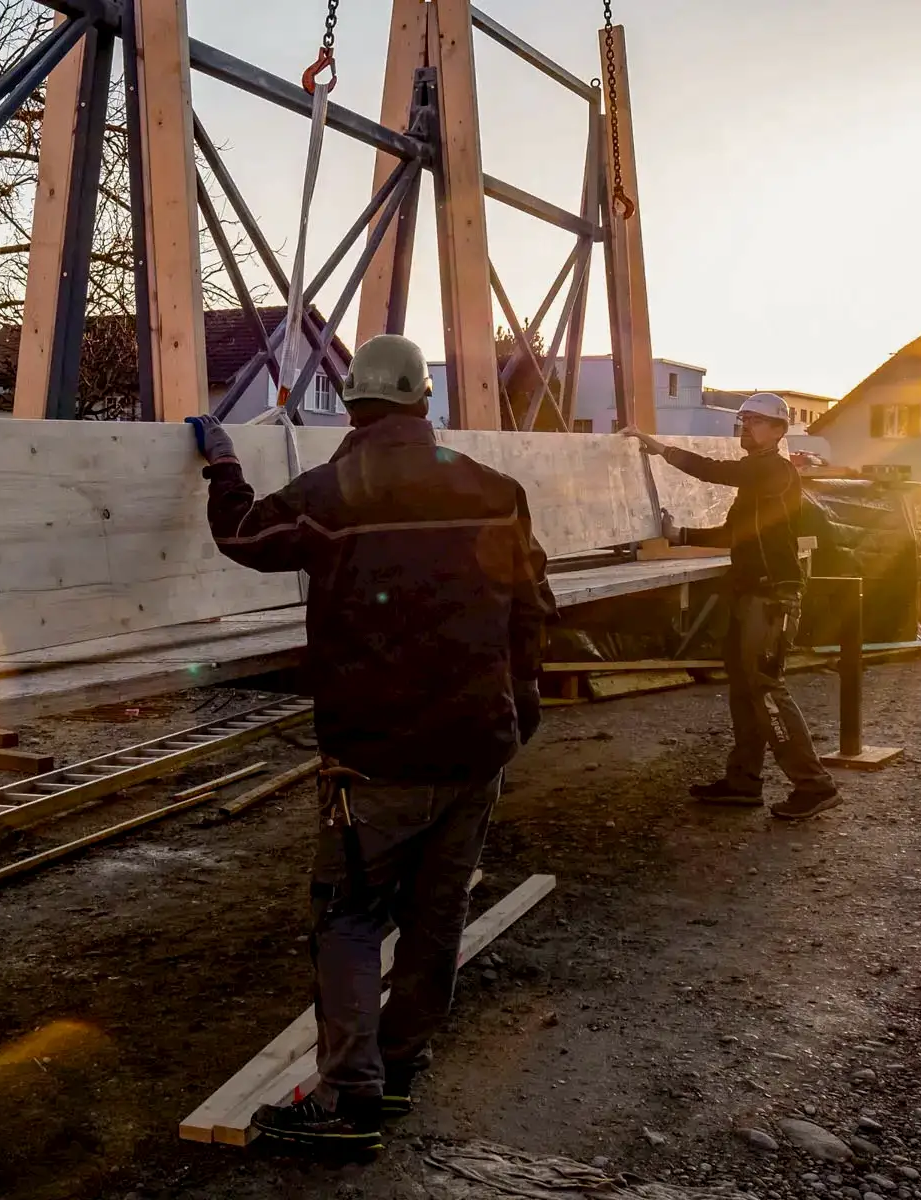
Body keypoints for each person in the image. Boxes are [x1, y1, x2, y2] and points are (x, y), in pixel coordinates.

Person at [186, 334, 554, 1154]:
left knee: (348, 915)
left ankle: (347, 1101)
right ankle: (397, 1067)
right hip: (475, 746)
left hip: (377, 755)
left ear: (353, 406)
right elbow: (534, 603)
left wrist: (221, 465)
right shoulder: (496, 491)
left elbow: (244, 538)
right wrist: (518, 706)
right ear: (425, 403)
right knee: (437, 913)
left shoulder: (333, 492)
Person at [623, 393, 842, 819]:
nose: (747, 428)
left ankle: (814, 785)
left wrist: (660, 448)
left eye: (757, 422)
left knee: (764, 688)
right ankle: (743, 782)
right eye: (743, 421)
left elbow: (713, 471)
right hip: (750, 595)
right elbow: (732, 535)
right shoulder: (758, 482)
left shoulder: (771, 470)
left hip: (771, 597)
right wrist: (680, 534)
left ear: (779, 430)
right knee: (745, 692)